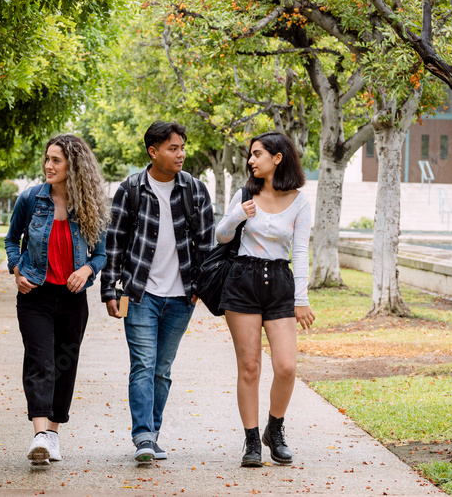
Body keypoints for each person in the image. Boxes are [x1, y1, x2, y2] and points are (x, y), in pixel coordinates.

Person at [101, 121, 215, 463]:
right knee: (143, 364)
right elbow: (115, 243)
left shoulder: (194, 189)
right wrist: (110, 288)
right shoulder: (131, 189)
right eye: (173, 148)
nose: (180, 154)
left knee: (162, 369)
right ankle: (144, 437)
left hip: (182, 297)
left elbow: (207, 246)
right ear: (153, 152)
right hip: (140, 294)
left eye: (182, 147)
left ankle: (153, 432)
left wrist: (200, 289)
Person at [4, 134, 110, 465]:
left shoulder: (90, 204)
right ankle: (39, 435)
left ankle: (52, 435)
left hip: (72, 296)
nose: (48, 166)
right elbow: (11, 241)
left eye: (56, 161)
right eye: (47, 159)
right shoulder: (30, 199)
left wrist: (88, 270)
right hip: (35, 293)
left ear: (73, 166)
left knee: (64, 365)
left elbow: (102, 254)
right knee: (40, 361)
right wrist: (16, 268)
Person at [215, 131, 314, 467]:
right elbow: (221, 234)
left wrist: (301, 298)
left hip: (280, 283)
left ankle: (275, 428)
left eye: (257, 154)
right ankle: (251, 441)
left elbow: (300, 251)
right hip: (243, 280)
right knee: (250, 367)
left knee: (286, 366)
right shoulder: (246, 193)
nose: (251, 160)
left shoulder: (300, 201)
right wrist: (239, 214)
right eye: (250, 155)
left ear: (278, 158)